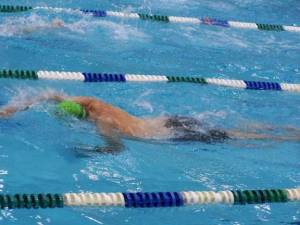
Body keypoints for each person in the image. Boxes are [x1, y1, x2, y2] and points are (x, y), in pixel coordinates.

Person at [0, 91, 299, 153]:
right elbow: (51, 94)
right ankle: (284, 129)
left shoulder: (104, 123)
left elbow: (116, 150)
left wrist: (85, 151)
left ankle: (287, 138)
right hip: (170, 120)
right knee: (233, 129)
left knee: (233, 138)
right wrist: (15, 108)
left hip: (168, 136)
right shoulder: (93, 102)